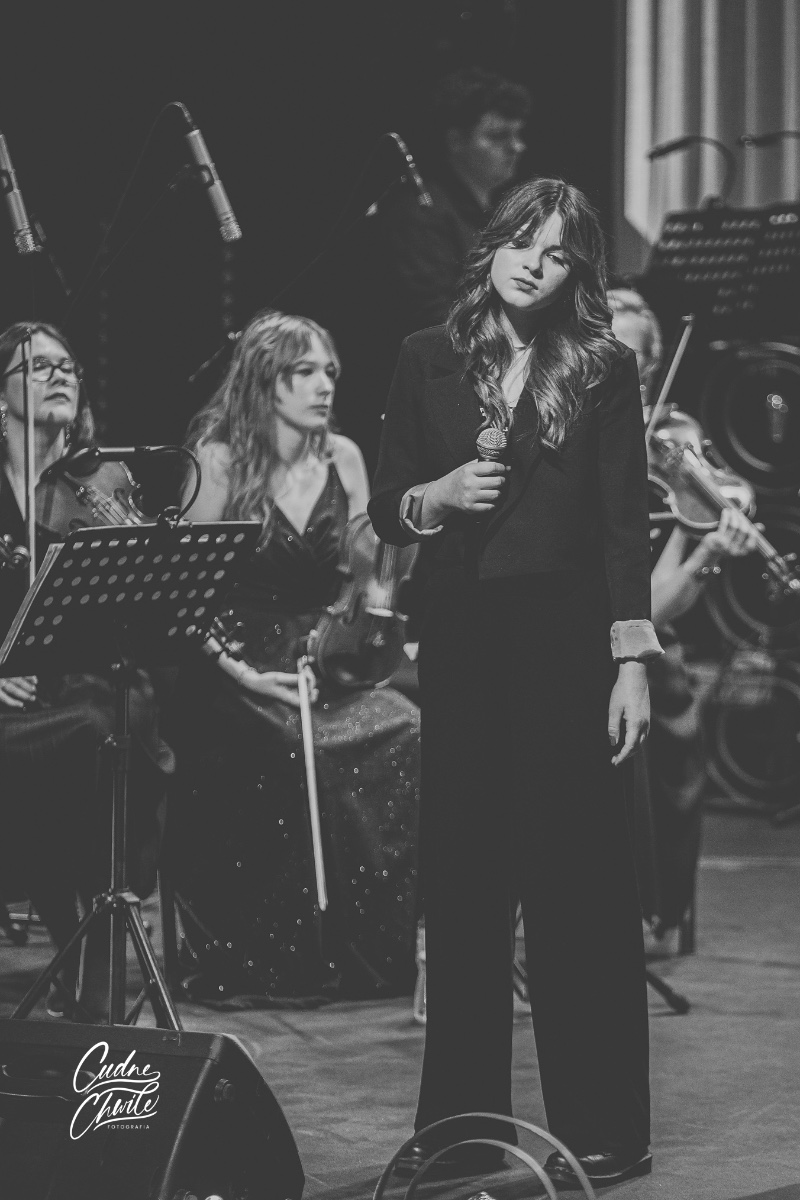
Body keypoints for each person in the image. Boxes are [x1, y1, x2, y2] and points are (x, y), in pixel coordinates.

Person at [369, 177, 663, 1189]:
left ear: (577, 271)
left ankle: (606, 1127)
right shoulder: (424, 356)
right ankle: (459, 1129)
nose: (535, 264)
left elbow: (624, 525)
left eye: (558, 252)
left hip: (566, 645)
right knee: (465, 889)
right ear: (491, 244)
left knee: (579, 888)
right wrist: (438, 494)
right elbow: (386, 504)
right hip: (460, 643)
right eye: (522, 242)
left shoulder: (601, 365)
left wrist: (630, 661)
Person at [168, 310, 420, 1005]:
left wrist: (384, 574)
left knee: (403, 725)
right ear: (264, 379)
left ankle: (367, 951)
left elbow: (369, 569)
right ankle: (279, 955)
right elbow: (185, 598)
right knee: (286, 746)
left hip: (322, 651)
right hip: (233, 660)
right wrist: (244, 671)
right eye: (303, 371)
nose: (323, 385)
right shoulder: (217, 461)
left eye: (328, 371)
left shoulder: (343, 458)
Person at [0, 321, 173, 1021]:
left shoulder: (101, 480)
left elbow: (143, 603)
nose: (60, 377)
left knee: (110, 724)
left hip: (84, 687)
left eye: (68, 367)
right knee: (85, 740)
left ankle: (96, 948)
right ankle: (84, 945)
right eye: (38, 367)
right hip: (14, 704)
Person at [608, 289, 760, 943]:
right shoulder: (572, 441)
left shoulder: (669, 453)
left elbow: (653, 605)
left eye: (627, 353)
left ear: (650, 366)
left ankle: (651, 905)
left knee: (659, 693)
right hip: (567, 631)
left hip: (643, 641)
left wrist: (708, 552)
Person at [384, 66, 530, 334]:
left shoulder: (496, 212)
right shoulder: (422, 213)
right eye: (499, 136)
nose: (517, 147)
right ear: (456, 140)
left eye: (517, 134)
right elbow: (435, 317)